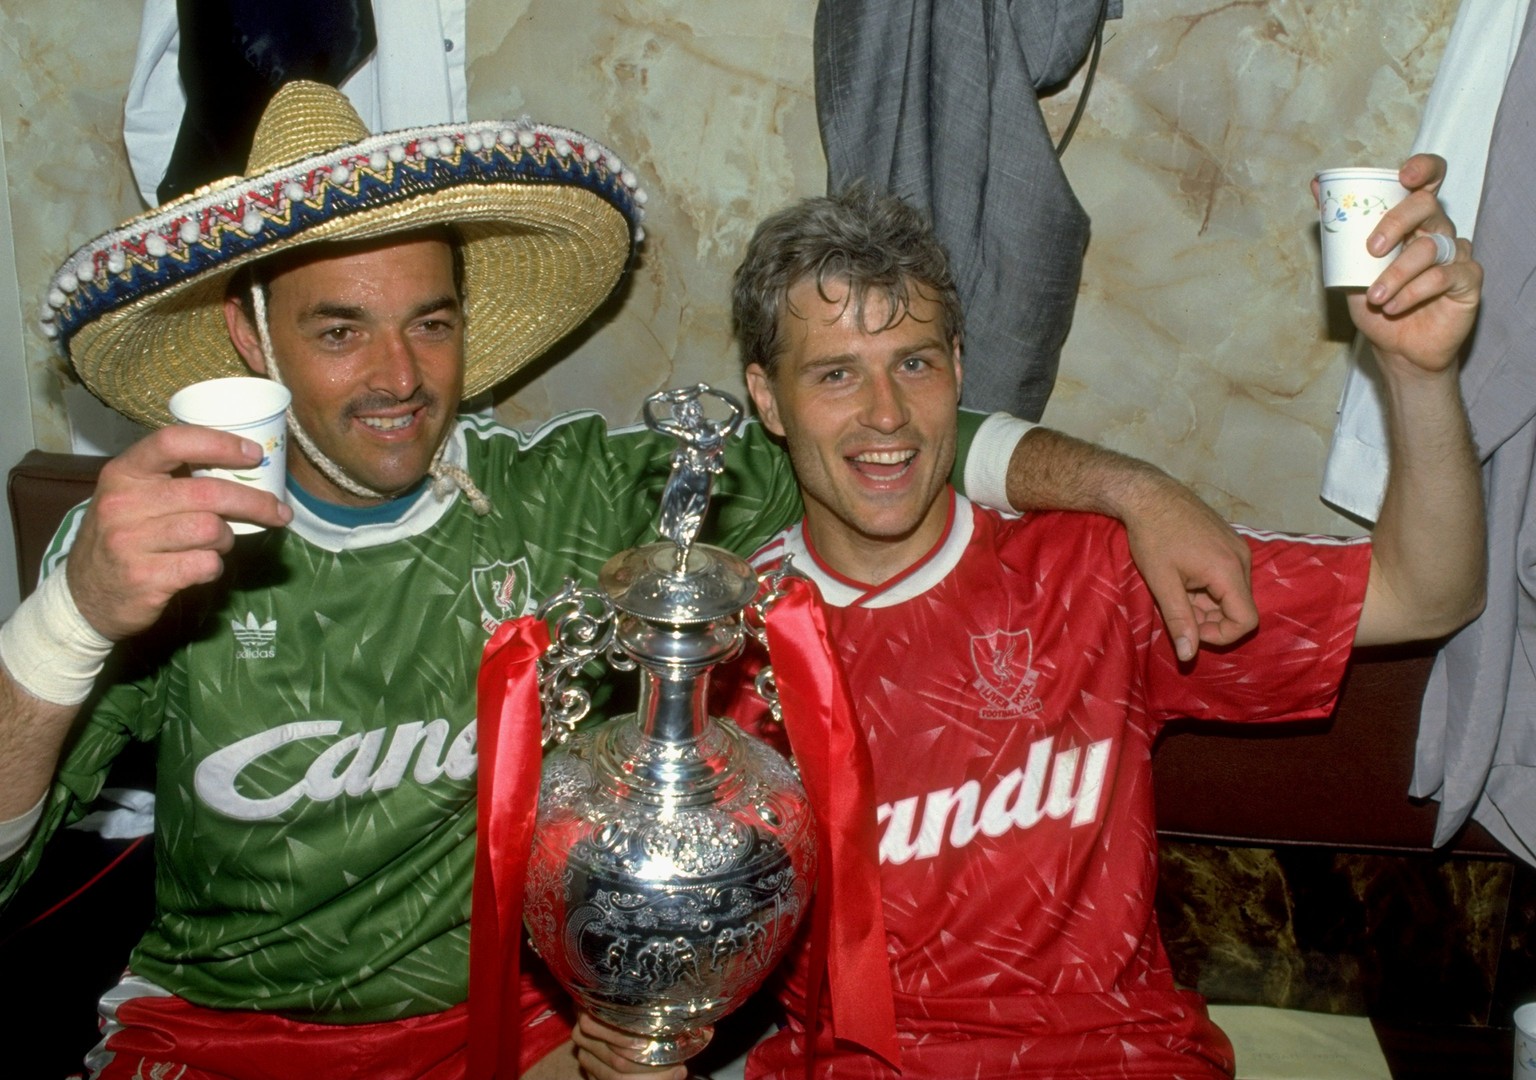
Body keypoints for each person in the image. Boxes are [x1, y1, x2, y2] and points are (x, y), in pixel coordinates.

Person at [0, 82, 1257, 1079]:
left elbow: (874, 437)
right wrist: (68, 624)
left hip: (528, 1036)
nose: (398, 376)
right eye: (339, 329)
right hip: (238, 1040)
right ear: (250, 334)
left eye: (430, 322)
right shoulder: (150, 544)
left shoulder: (578, 497)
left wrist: (1135, 489)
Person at [570, 179, 1484, 1079]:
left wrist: (1418, 372)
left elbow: (1425, 593)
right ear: (767, 400)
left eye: (915, 363)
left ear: (961, 369)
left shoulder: (1100, 572)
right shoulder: (719, 650)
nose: (886, 415)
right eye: (837, 374)